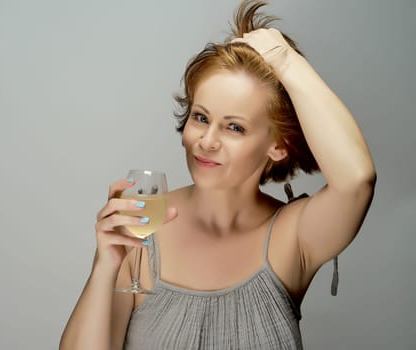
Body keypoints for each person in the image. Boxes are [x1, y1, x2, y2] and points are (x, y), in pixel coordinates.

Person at [59, 0, 376, 348]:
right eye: (201, 118)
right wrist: (105, 266)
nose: (207, 142)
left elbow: (356, 180)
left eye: (235, 128)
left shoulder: (294, 236)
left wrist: (284, 60)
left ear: (278, 145)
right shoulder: (140, 228)